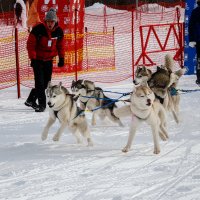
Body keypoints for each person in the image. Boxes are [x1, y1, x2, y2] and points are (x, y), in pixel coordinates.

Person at [25, 7, 65, 112]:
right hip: (37, 60)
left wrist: (61, 58)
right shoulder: (38, 29)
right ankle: (41, 105)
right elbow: (30, 45)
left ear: (55, 21)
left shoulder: (59, 32)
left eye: (52, 21)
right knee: (40, 83)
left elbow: (61, 45)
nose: (50, 23)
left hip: (48, 60)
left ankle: (30, 100)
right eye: (48, 21)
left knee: (46, 83)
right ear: (45, 21)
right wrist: (33, 58)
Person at [188, 0, 200, 85]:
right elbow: (191, 26)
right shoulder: (196, 11)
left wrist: (192, 39)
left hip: (199, 40)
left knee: (199, 60)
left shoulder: (195, 11)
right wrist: (192, 39)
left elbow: (191, 26)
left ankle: (199, 78)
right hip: (199, 40)